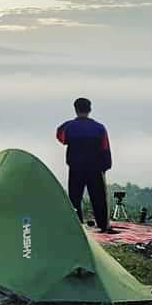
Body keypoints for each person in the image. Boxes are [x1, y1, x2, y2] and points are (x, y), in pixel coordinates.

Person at [56, 97, 115, 233]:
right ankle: (103, 225)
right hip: (95, 168)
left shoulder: (68, 127)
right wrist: (106, 166)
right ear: (90, 109)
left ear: (75, 110)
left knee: (75, 197)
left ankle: (76, 225)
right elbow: (105, 147)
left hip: (76, 167)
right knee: (99, 198)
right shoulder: (100, 128)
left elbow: (60, 137)